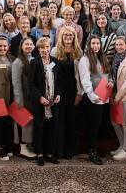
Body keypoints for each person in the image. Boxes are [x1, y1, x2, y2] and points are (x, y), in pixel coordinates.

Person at [78, 35, 112, 165]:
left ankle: (95, 148)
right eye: (93, 43)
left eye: (97, 43)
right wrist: (93, 96)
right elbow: (85, 81)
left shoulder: (102, 58)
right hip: (92, 98)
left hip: (103, 96)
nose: (95, 46)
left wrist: (111, 82)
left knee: (99, 125)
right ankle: (91, 151)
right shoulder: (85, 60)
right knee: (92, 126)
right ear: (89, 45)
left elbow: (108, 75)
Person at [51, 26, 83, 159]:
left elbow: (81, 75)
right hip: (58, 91)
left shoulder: (79, 52)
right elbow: (51, 73)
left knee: (71, 121)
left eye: (70, 35)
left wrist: (79, 93)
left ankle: (70, 151)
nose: (68, 37)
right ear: (61, 37)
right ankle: (59, 150)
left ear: (74, 37)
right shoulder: (54, 51)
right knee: (59, 121)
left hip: (73, 90)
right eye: (65, 35)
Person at [29, 37, 61, 166]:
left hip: (53, 101)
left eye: (47, 47)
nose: (45, 50)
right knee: (39, 127)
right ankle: (40, 154)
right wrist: (39, 97)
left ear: (50, 47)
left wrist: (59, 94)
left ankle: (49, 153)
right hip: (40, 101)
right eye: (42, 47)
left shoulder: (55, 61)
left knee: (52, 128)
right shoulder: (34, 62)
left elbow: (59, 82)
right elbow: (31, 84)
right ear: (38, 49)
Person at [12, 38, 37, 159]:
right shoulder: (18, 62)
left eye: (31, 44)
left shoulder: (33, 59)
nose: (29, 46)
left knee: (30, 123)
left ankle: (28, 144)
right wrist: (19, 101)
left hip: (31, 98)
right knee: (23, 123)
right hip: (22, 98)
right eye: (26, 44)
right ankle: (23, 148)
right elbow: (16, 83)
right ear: (21, 46)